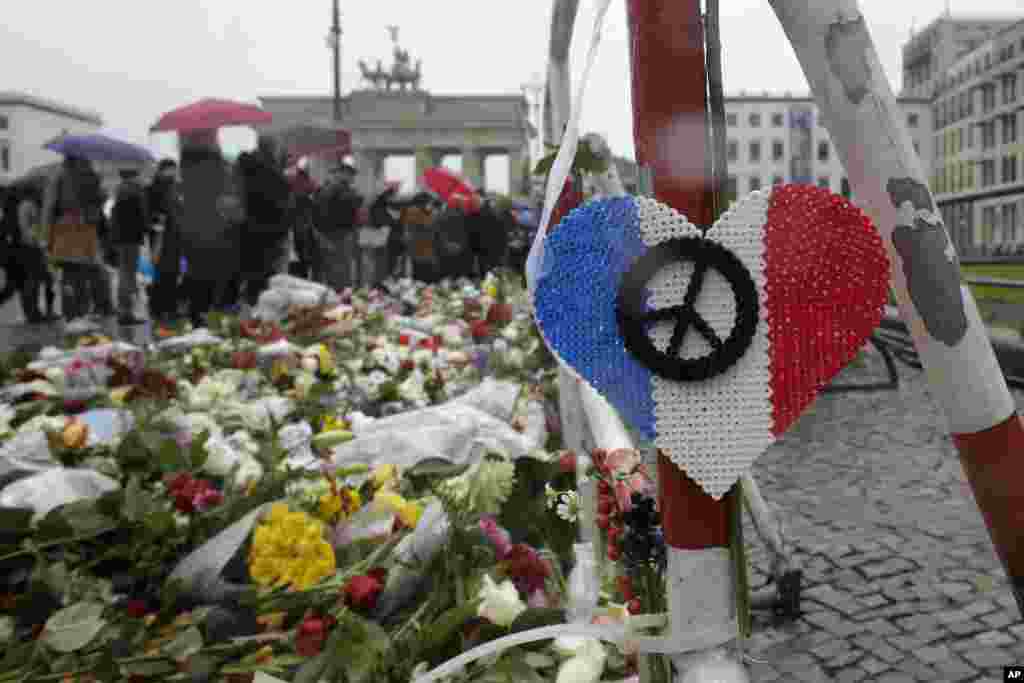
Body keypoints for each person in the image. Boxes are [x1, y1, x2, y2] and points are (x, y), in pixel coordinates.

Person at [42, 156, 112, 321]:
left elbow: (50, 206)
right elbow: (100, 200)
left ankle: (71, 315)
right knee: (84, 272)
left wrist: (46, 236)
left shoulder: (59, 176)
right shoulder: (91, 175)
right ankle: (82, 312)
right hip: (87, 227)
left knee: (69, 273)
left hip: (66, 226)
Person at [236, 137, 292, 306]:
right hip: (271, 234)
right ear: (272, 150)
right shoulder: (271, 173)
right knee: (268, 280)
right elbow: (281, 205)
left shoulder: (244, 171)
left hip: (248, 232)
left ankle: (251, 312)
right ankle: (260, 317)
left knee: (254, 277)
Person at [110, 169, 149, 325]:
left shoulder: (119, 190)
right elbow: (142, 215)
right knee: (128, 274)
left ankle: (124, 311)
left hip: (121, 238)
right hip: (131, 238)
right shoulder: (135, 191)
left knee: (124, 273)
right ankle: (126, 312)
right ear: (133, 175)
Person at [315, 162, 362, 289]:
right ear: (342, 174)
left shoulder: (326, 189)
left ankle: (337, 295)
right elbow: (339, 210)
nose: (353, 178)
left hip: (332, 234)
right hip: (338, 235)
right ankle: (340, 298)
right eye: (351, 174)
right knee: (340, 271)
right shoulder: (338, 190)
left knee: (335, 270)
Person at [147, 159, 184, 321]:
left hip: (172, 236)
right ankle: (161, 307)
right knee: (163, 272)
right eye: (171, 170)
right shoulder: (155, 189)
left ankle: (167, 307)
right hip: (162, 237)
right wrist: (158, 225)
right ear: (163, 170)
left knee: (171, 272)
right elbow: (152, 214)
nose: (174, 174)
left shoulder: (173, 188)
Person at [15, 185, 56, 322]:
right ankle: (34, 313)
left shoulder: (28, 205)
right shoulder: (27, 205)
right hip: (32, 248)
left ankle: (38, 312)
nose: (41, 192)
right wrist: (39, 243)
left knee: (44, 280)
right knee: (36, 281)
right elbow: (28, 228)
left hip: (34, 247)